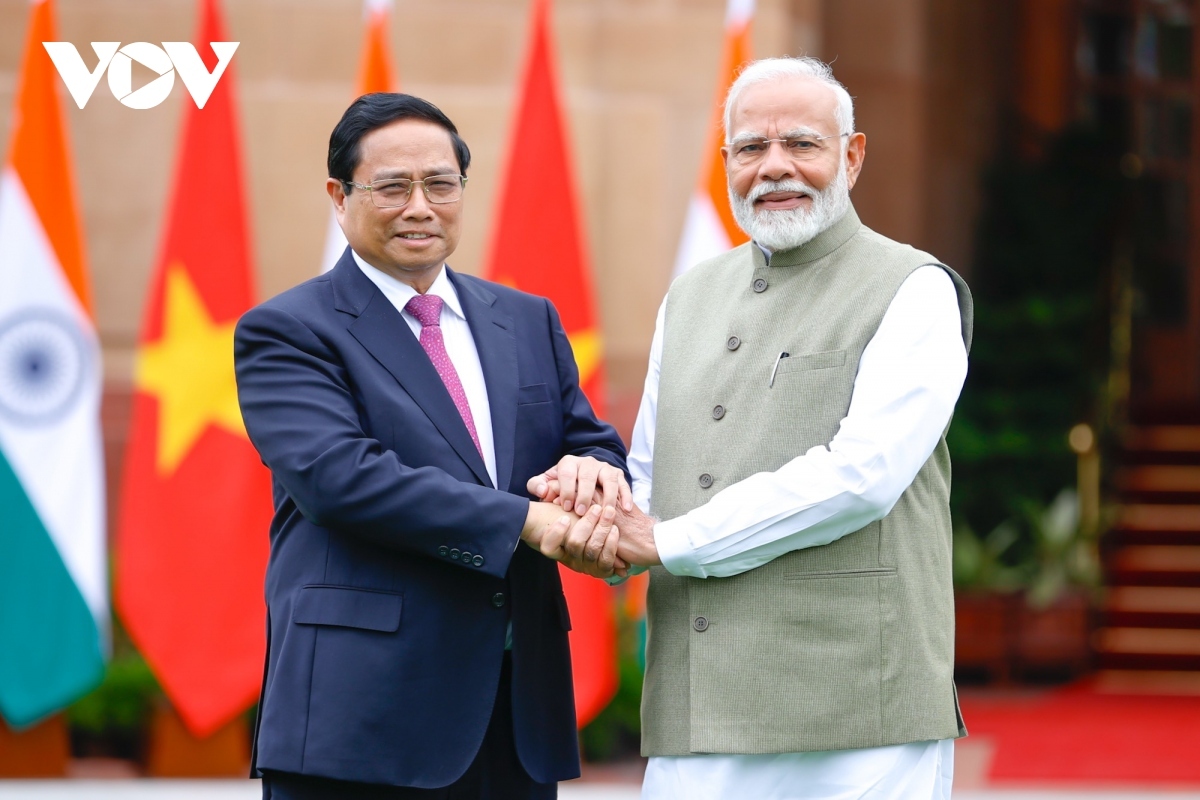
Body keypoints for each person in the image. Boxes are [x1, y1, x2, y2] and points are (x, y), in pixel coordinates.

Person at [537, 56, 973, 798]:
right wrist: (598, 512)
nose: (774, 167)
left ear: (852, 155)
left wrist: (666, 541)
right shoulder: (691, 295)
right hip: (696, 704)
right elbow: (652, 469)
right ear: (727, 162)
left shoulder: (915, 289)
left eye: (802, 144)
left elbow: (862, 476)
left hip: (858, 712)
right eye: (750, 148)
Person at [234, 92, 630, 800]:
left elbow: (589, 439)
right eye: (392, 186)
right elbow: (340, 477)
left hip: (514, 715)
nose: (420, 206)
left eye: (440, 184)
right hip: (361, 721)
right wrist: (527, 521)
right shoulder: (288, 330)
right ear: (340, 195)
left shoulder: (525, 318)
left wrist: (592, 473)